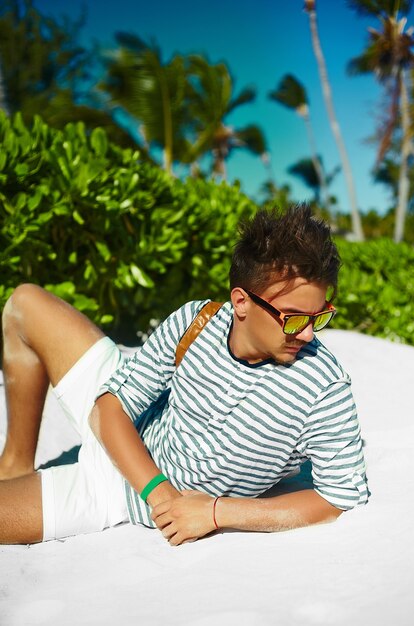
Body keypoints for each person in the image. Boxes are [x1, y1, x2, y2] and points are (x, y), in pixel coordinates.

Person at [0, 205, 369, 546]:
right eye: (294, 318)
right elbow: (107, 408)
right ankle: (14, 464)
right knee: (24, 302)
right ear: (241, 302)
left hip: (110, 491)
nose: (307, 334)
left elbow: (339, 497)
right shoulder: (197, 320)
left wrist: (214, 511)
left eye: (318, 316)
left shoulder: (324, 387)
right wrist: (162, 495)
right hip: (132, 437)